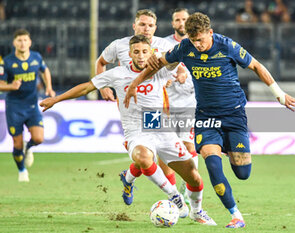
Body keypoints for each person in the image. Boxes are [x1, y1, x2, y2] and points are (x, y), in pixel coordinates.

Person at [123, 12, 295, 228]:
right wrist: (134, 84)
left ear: (211, 33)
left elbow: (256, 66)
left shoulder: (227, 46)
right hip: (206, 116)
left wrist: (279, 94)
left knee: (242, 173)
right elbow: (157, 64)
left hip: (234, 115)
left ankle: (226, 147)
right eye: (193, 40)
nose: (196, 44)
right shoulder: (184, 47)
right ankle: (236, 215)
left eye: (200, 39)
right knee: (212, 165)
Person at [40, 35, 216, 225]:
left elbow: (176, 59)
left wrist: (181, 65)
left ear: (152, 52)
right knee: (143, 157)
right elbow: (86, 88)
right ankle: (174, 196)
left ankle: (196, 212)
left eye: (144, 51)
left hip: (160, 126)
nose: (141, 56)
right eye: (136, 52)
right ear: (129, 53)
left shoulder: (160, 69)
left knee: (195, 179)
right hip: (136, 131)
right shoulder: (117, 74)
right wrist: (56, 99)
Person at [95, 9, 182, 205]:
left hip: (156, 106)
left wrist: (177, 76)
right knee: (150, 154)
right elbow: (101, 62)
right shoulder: (119, 45)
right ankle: (176, 200)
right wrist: (103, 88)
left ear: (156, 28)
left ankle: (130, 178)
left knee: (154, 155)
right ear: (134, 26)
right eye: (142, 24)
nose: (146, 28)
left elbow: (177, 67)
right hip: (131, 109)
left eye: (150, 25)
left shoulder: (164, 45)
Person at [0, 29, 55, 182]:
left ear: (29, 42)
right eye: (19, 40)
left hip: (31, 106)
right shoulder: (7, 62)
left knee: (38, 139)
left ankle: (28, 147)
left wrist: (48, 87)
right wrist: (11, 86)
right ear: (14, 43)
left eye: (25, 40)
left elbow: (45, 71)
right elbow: (1, 84)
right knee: (16, 143)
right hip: (14, 107)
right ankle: (22, 170)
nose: (22, 43)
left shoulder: (36, 57)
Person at [164, 8, 197, 205]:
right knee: (162, 151)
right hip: (165, 105)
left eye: (185, 19)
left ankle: (189, 184)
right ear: (173, 23)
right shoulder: (164, 44)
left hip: (189, 104)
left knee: (188, 145)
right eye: (177, 20)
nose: (181, 23)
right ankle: (173, 194)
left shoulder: (198, 42)